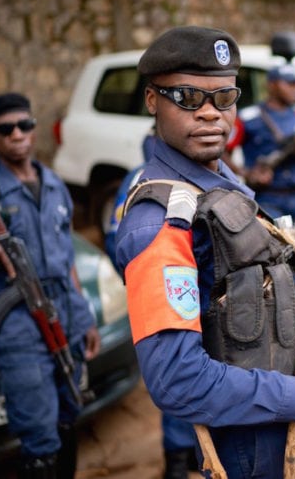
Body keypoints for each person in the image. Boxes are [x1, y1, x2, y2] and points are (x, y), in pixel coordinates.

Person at [114, 25, 295, 478]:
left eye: (224, 98)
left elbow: (243, 297)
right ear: (152, 101)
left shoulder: (223, 182)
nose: (210, 114)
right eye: (187, 97)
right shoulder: (162, 220)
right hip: (256, 445)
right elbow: (179, 383)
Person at [0, 93, 100, 478]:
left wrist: (86, 316)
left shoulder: (55, 184)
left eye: (24, 125)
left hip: (66, 313)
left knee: (68, 414)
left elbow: (66, 258)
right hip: (18, 324)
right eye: (5, 129)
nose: (17, 135)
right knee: (38, 432)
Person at [105, 129, 198, 479]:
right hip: (167, 288)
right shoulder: (140, 181)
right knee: (177, 370)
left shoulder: (205, 173)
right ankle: (176, 457)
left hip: (198, 291)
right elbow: (120, 236)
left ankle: (190, 453)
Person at [225, 63, 295, 223]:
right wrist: (246, 173)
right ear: (272, 85)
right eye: (290, 83)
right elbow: (223, 153)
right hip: (267, 198)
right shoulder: (249, 117)